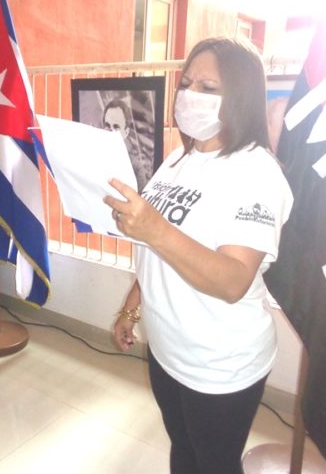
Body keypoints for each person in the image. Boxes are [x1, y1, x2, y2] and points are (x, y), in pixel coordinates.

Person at [105, 37, 293, 474]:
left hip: (220, 365)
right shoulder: (177, 159)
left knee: (214, 464)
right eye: (186, 83)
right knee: (183, 451)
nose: (189, 96)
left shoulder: (257, 172)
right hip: (168, 350)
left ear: (241, 97)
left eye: (208, 87)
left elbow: (232, 281)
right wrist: (131, 310)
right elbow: (157, 249)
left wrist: (153, 226)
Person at [102, 98, 153, 192]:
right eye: (107, 125)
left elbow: (141, 204)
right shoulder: (92, 160)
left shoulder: (137, 169)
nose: (111, 131)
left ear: (126, 132)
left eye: (116, 127)